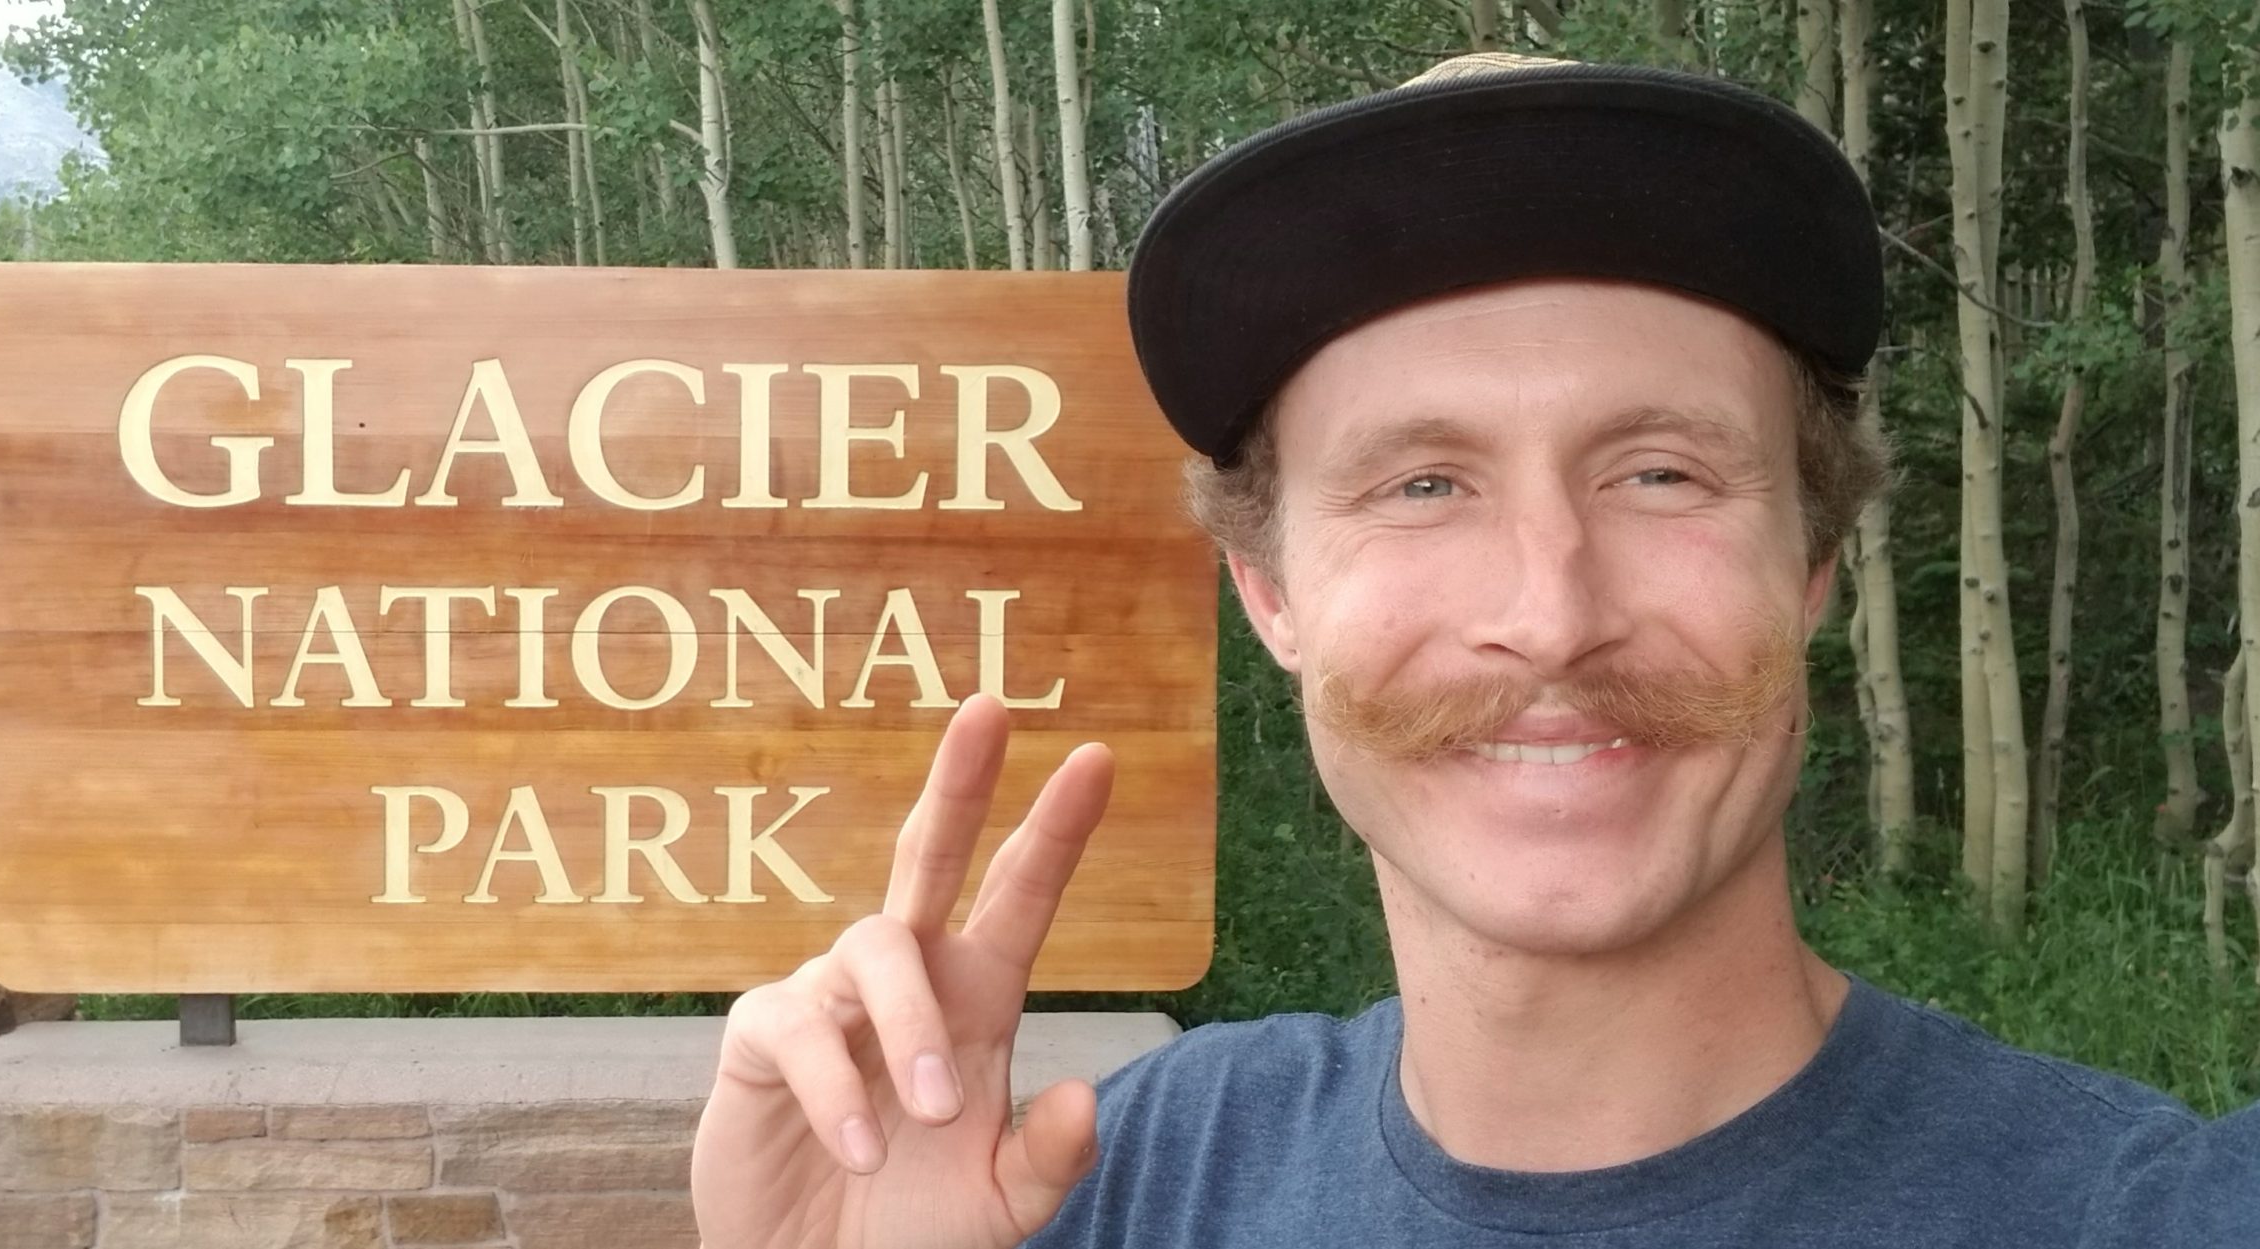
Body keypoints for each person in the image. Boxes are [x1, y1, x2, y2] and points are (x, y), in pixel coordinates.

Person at [688, 53, 2260, 1248]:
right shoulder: (1126, 1180)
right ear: (1270, 593)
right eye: (1422, 484)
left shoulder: (2152, 1212)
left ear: (1815, 564)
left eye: (1661, 473)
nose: (1554, 611)